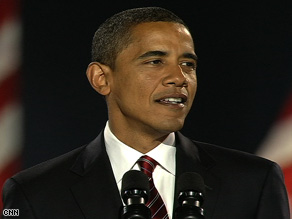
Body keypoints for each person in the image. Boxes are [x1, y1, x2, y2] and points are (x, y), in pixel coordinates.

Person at [2, 7, 290, 219]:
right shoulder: (35, 192)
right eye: (155, 61)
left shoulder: (254, 181)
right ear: (102, 78)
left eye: (188, 64)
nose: (179, 78)